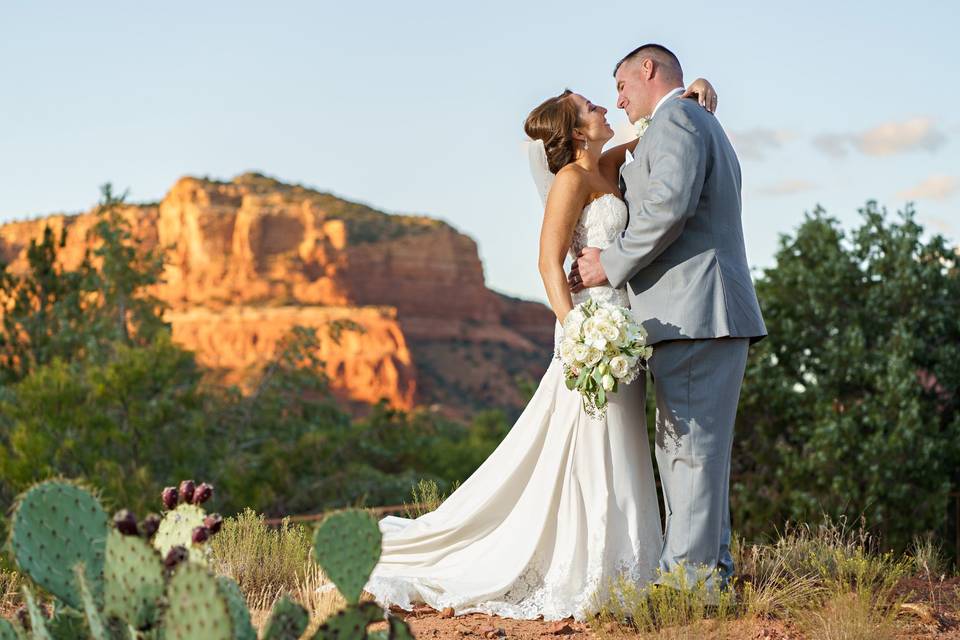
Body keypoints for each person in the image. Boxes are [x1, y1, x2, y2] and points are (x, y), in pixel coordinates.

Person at [570, 44, 767, 596]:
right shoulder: (692, 117)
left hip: (696, 313)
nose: (618, 99)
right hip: (702, 312)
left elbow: (670, 207)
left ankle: (687, 587)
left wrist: (607, 265)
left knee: (690, 457)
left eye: (621, 86)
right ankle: (710, 578)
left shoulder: (680, 117)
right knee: (694, 457)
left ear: (648, 70)